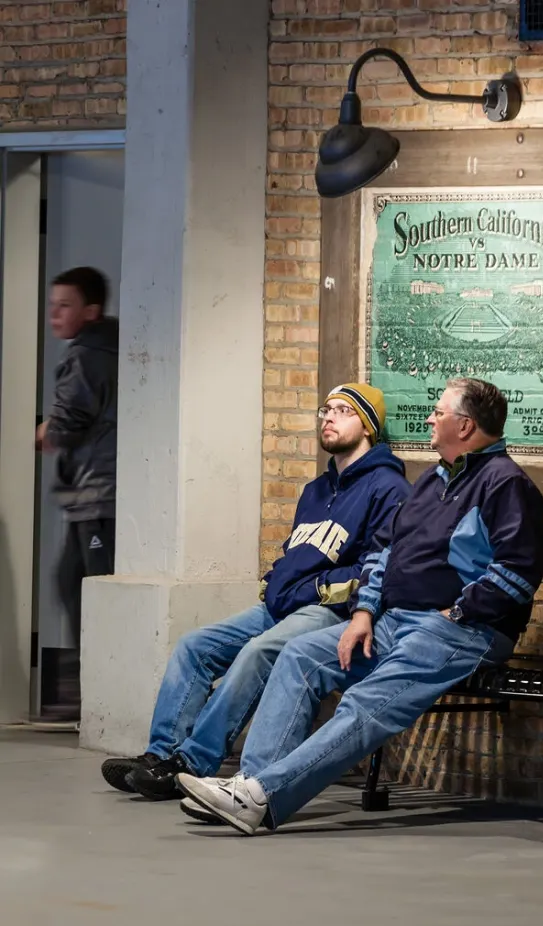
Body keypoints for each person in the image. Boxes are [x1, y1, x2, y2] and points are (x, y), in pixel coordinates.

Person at [176, 376, 543, 834]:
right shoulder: (432, 479)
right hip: (395, 621)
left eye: (440, 411)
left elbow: (518, 573)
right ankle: (249, 786)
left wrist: (459, 612)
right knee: (299, 657)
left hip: (461, 631)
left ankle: (263, 798)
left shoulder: (505, 483)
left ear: (465, 426)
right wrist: (364, 613)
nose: (431, 418)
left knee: (365, 701)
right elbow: (385, 552)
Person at [100, 383, 411, 799]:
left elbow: (378, 564)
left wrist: (320, 588)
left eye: (344, 411)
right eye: (326, 410)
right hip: (282, 605)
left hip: (330, 612)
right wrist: (278, 577)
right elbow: (297, 551)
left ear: (369, 426)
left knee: (258, 652)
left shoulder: (388, 488)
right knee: (195, 646)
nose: (329, 417)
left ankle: (192, 762)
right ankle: (162, 756)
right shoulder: (316, 491)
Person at [37, 266, 118, 657]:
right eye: (53, 305)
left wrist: (42, 433)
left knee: (88, 591)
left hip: (98, 494)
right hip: (91, 495)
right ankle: (83, 686)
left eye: (65, 305)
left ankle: (93, 687)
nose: (54, 313)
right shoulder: (111, 343)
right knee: (70, 583)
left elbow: (68, 424)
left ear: (91, 310)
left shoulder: (87, 355)